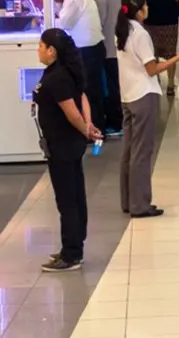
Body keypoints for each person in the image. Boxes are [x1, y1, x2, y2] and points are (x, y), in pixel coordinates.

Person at [115, 0, 179, 218]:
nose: (148, 8)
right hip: (144, 95)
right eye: (146, 5)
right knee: (142, 152)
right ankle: (140, 205)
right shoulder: (140, 34)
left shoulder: (121, 31)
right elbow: (152, 69)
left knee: (129, 151)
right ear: (139, 10)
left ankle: (128, 201)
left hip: (128, 96)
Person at [33, 28, 100, 272]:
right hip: (67, 143)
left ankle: (72, 253)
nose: (38, 50)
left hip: (63, 145)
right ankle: (73, 246)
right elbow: (82, 97)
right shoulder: (62, 72)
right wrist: (88, 125)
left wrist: (85, 128)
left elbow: (72, 112)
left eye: (41, 46)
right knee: (75, 196)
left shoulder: (58, 77)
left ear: (52, 50)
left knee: (67, 201)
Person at [55, 0, 106, 135]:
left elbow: (65, 23)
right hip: (93, 48)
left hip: (87, 51)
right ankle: (96, 126)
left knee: (88, 91)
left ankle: (93, 128)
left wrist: (57, 7)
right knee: (93, 90)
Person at [84, 0, 123, 136]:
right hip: (114, 46)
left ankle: (115, 123)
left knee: (109, 88)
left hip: (106, 48)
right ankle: (117, 121)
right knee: (115, 86)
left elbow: (99, 20)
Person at [138, 0, 179, 95]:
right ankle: (155, 79)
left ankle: (170, 82)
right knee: (152, 54)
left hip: (169, 23)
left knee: (170, 54)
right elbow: (140, 3)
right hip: (151, 23)